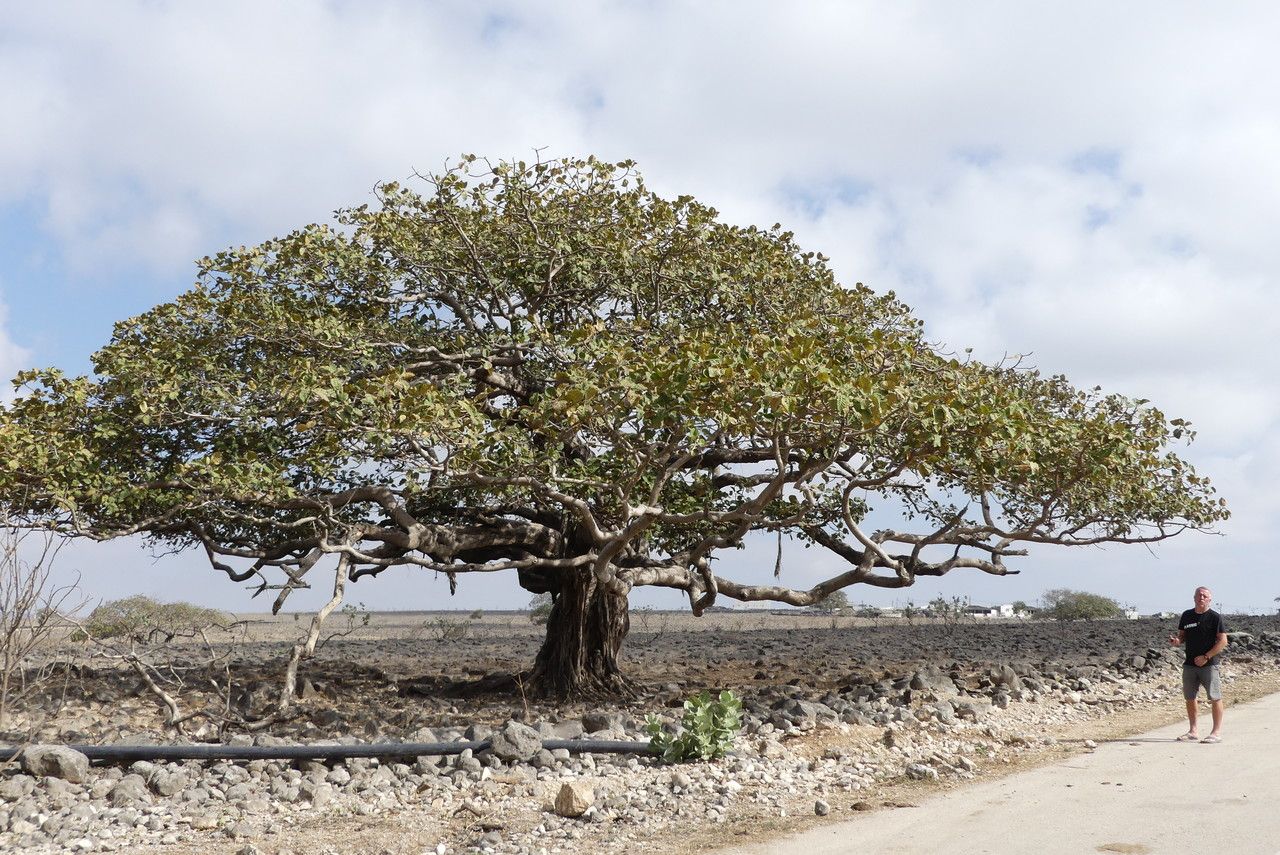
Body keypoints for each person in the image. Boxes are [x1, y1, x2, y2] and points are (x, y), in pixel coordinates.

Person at [1168, 585, 1228, 743]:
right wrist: (1177, 641)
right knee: (1190, 697)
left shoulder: (1215, 617)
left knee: (1215, 697)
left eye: (1204, 596)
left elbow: (1223, 640)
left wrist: (1206, 656)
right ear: (1194, 598)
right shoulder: (1187, 616)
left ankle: (1216, 733)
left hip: (1209, 664)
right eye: (1198, 595)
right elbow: (1183, 636)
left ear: (1209, 599)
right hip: (1189, 664)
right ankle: (1193, 731)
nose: (1201, 598)